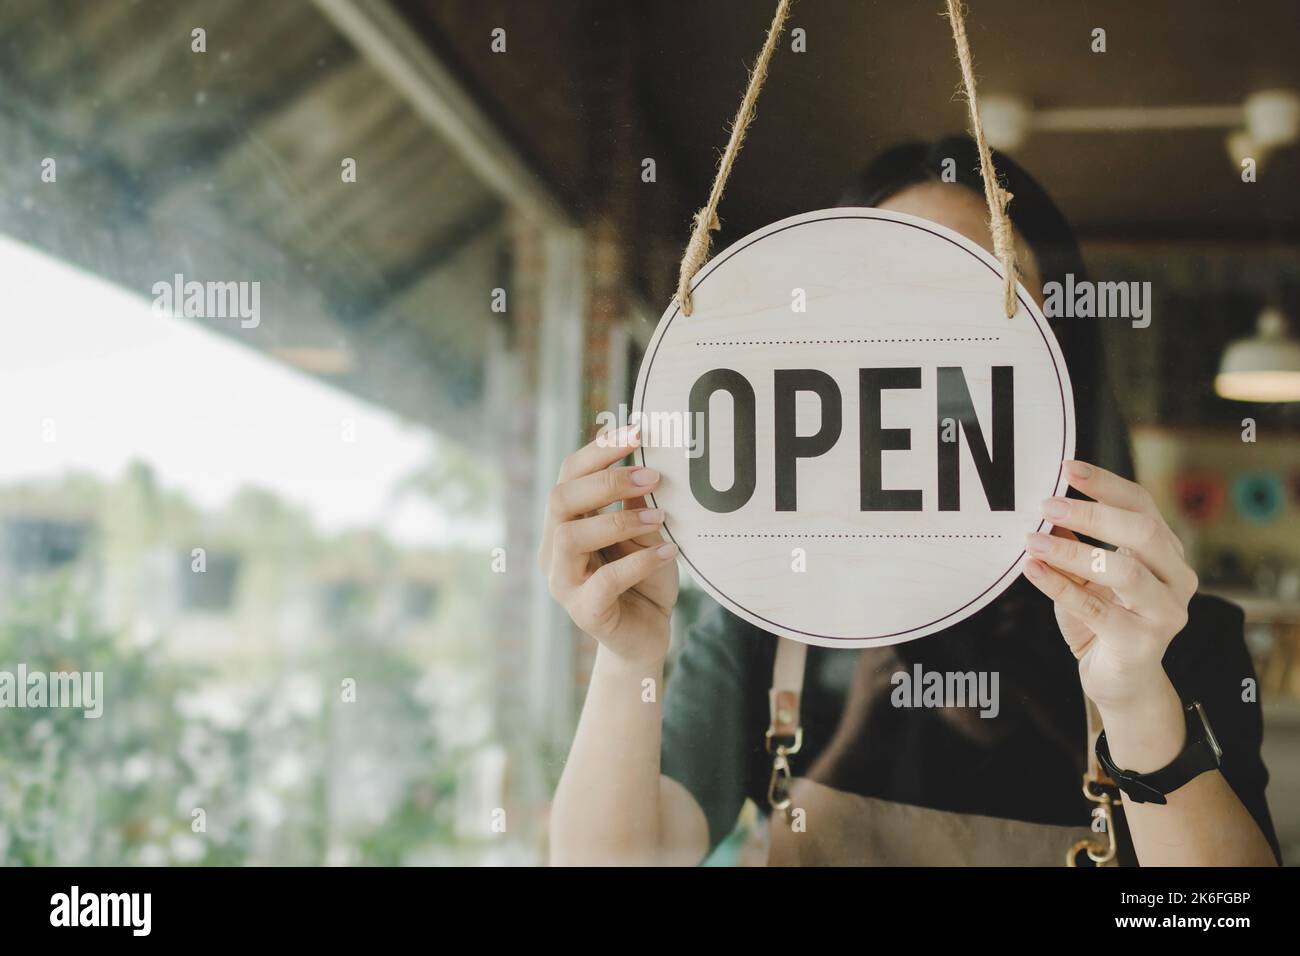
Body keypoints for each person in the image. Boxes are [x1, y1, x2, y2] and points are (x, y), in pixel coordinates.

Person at [541, 136, 1281, 866]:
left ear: (1057, 339)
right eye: (887, 285)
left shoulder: (1169, 629)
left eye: (975, 284)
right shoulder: (766, 617)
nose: (927, 332)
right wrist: (626, 658)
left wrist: (1136, 704)